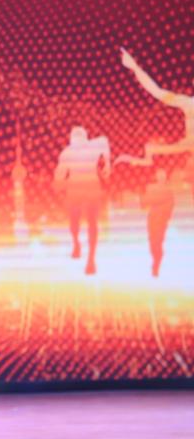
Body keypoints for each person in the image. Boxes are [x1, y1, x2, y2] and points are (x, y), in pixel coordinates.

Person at [116, 48, 194, 166]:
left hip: (186, 149)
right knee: (150, 149)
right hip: (186, 149)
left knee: (151, 150)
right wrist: (135, 68)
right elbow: (156, 91)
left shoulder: (188, 103)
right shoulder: (188, 103)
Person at [53, 126, 110, 275]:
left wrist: (58, 182)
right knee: (87, 223)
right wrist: (107, 163)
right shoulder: (89, 147)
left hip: (80, 189)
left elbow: (60, 175)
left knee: (82, 222)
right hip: (86, 189)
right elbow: (104, 141)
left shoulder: (68, 152)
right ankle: (86, 254)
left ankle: (84, 253)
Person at [141, 168, 176, 278]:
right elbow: (144, 203)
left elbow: (170, 207)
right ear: (156, 177)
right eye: (159, 176)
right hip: (152, 219)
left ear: (165, 178)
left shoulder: (168, 190)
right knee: (152, 242)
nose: (161, 178)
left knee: (158, 242)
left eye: (163, 176)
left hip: (161, 220)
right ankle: (155, 261)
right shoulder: (150, 188)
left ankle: (156, 264)